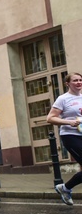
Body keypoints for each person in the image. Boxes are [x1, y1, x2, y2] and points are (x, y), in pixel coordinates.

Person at [47, 72, 82, 205]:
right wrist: (69, 122)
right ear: (68, 83)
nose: (79, 82)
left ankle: (64, 188)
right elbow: (50, 118)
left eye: (80, 80)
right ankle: (65, 188)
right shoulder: (63, 99)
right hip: (70, 135)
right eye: (75, 80)